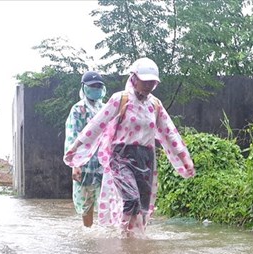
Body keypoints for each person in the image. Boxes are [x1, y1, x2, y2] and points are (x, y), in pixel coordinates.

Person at [64, 57, 195, 237]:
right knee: (131, 198)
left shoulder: (155, 105)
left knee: (142, 205)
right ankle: (123, 236)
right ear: (134, 78)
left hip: (146, 158)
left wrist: (184, 158)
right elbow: (97, 124)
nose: (148, 85)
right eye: (145, 81)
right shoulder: (120, 99)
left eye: (152, 82)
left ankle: (135, 240)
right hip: (121, 156)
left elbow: (169, 132)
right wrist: (75, 150)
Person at [64, 70, 107, 227]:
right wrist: (75, 165)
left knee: (106, 199)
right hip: (84, 163)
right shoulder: (78, 109)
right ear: (84, 87)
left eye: (98, 86)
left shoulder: (105, 108)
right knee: (86, 201)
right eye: (92, 86)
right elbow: (72, 137)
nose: (95, 89)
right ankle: (88, 232)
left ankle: (103, 236)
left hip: (103, 163)